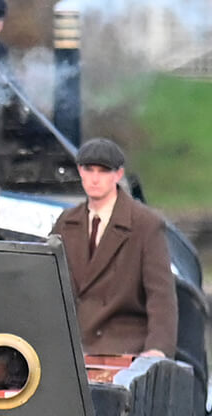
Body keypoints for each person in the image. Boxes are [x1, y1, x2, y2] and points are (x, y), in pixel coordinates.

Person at [50, 138, 178, 358]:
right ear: (80, 171)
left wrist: (157, 349)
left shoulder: (145, 224)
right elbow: (49, 286)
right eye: (89, 170)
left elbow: (161, 294)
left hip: (124, 350)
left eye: (103, 171)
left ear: (118, 175)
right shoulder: (66, 223)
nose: (95, 179)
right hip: (72, 350)